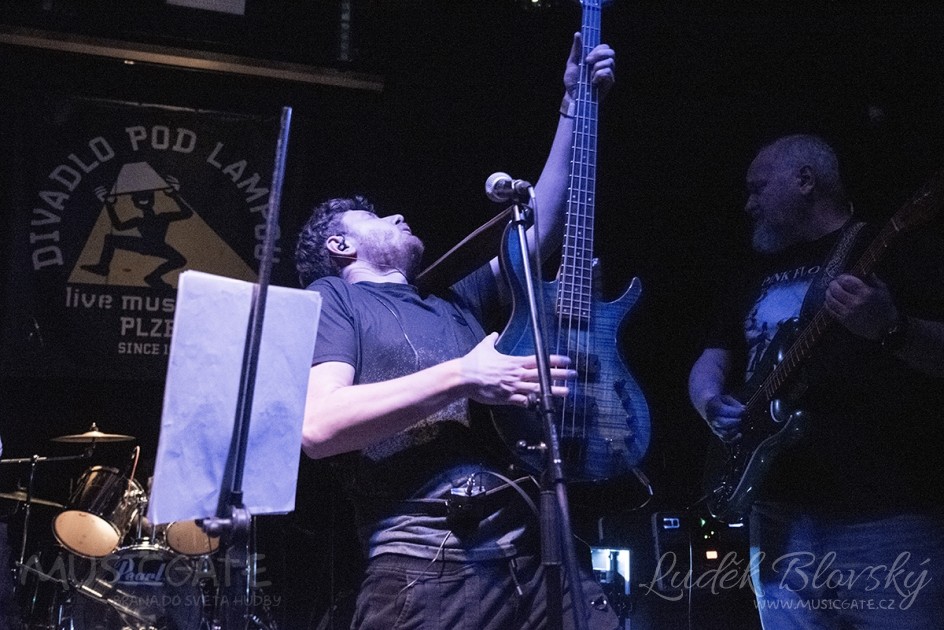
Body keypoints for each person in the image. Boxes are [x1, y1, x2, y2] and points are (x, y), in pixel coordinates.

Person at [296, 33, 620, 630]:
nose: (398, 215)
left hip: (538, 541)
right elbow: (319, 426)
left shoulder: (449, 295)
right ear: (340, 245)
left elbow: (539, 227)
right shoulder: (334, 298)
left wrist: (573, 105)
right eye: (375, 216)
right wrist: (464, 376)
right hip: (430, 556)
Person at [688, 134, 944, 627]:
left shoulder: (892, 246)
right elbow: (711, 358)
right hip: (778, 515)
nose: (748, 204)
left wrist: (893, 328)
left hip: (887, 515)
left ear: (805, 180)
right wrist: (709, 402)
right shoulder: (753, 270)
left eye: (758, 188)